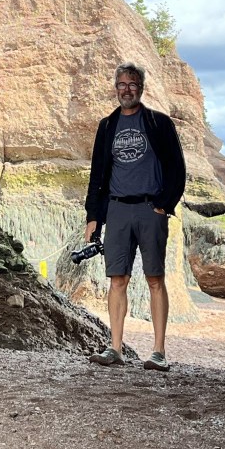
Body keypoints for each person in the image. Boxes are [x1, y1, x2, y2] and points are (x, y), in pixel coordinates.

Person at [84, 62, 186, 372]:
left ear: (141, 88)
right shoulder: (107, 126)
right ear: (115, 88)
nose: (127, 89)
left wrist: (163, 205)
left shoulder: (158, 123)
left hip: (149, 208)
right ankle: (115, 348)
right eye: (122, 84)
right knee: (118, 279)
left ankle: (158, 351)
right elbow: (97, 175)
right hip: (116, 208)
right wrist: (93, 217)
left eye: (132, 84)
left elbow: (177, 169)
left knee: (155, 278)